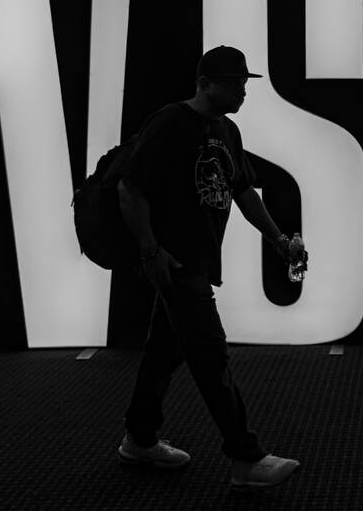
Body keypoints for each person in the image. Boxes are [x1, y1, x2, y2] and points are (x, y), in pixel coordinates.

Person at [115, 44, 307, 488]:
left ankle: (139, 439)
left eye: (244, 83)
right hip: (176, 262)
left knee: (164, 353)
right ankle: (245, 457)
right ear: (205, 84)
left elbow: (243, 192)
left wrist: (279, 240)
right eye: (234, 83)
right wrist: (150, 250)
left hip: (197, 261)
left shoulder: (226, 130)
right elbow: (130, 188)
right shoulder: (171, 122)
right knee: (210, 356)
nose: (243, 91)